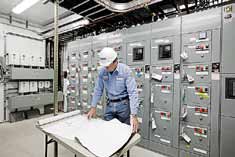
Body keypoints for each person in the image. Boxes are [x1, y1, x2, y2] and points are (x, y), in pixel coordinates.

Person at [87, 47, 139, 133]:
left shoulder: (125, 71)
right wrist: (93, 107)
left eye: (107, 66)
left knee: (124, 133)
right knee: (107, 131)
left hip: (124, 106)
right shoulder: (102, 71)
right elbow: (98, 90)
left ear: (115, 62)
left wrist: (134, 115)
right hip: (110, 105)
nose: (105, 68)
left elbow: (133, 93)